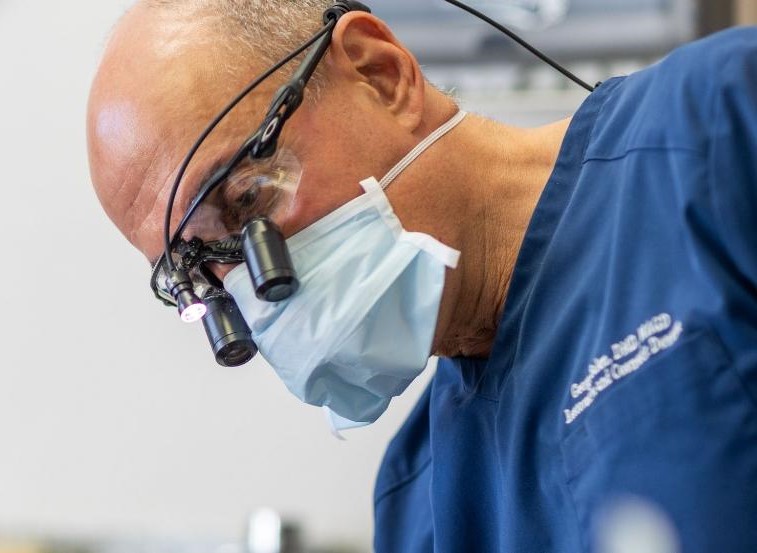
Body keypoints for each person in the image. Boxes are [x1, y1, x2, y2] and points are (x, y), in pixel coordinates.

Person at [87, 1, 757, 551]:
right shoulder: (421, 504)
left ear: (379, 74)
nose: (252, 292)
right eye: (202, 274)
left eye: (246, 202)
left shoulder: (719, 127)